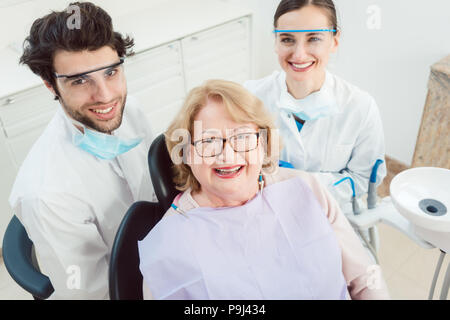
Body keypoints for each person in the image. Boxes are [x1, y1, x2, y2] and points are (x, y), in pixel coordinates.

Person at [138, 79, 390, 299]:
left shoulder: (305, 188)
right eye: (209, 141)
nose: (227, 156)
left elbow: (364, 277)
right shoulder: (169, 246)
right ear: (188, 154)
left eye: (242, 137)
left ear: (263, 142)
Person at [9, 2, 155, 299]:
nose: (106, 96)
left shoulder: (129, 110)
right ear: (50, 85)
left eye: (111, 72)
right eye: (80, 80)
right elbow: (94, 295)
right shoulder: (47, 194)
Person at [244, 0, 386, 207]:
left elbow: (363, 178)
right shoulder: (250, 96)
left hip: (328, 210)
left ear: (334, 41)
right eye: (287, 40)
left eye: (314, 39)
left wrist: (299, 182)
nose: (299, 54)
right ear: (276, 42)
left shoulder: (360, 107)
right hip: (264, 205)